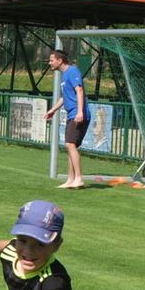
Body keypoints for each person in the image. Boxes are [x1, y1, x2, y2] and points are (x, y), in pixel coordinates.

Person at [45, 49, 90, 189]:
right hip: (72, 114)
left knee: (70, 144)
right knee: (72, 146)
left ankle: (78, 178)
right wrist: (52, 110)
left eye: (52, 60)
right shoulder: (64, 76)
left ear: (60, 61)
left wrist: (80, 112)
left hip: (77, 114)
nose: (49, 63)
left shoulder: (73, 71)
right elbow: (64, 97)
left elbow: (79, 90)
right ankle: (70, 179)